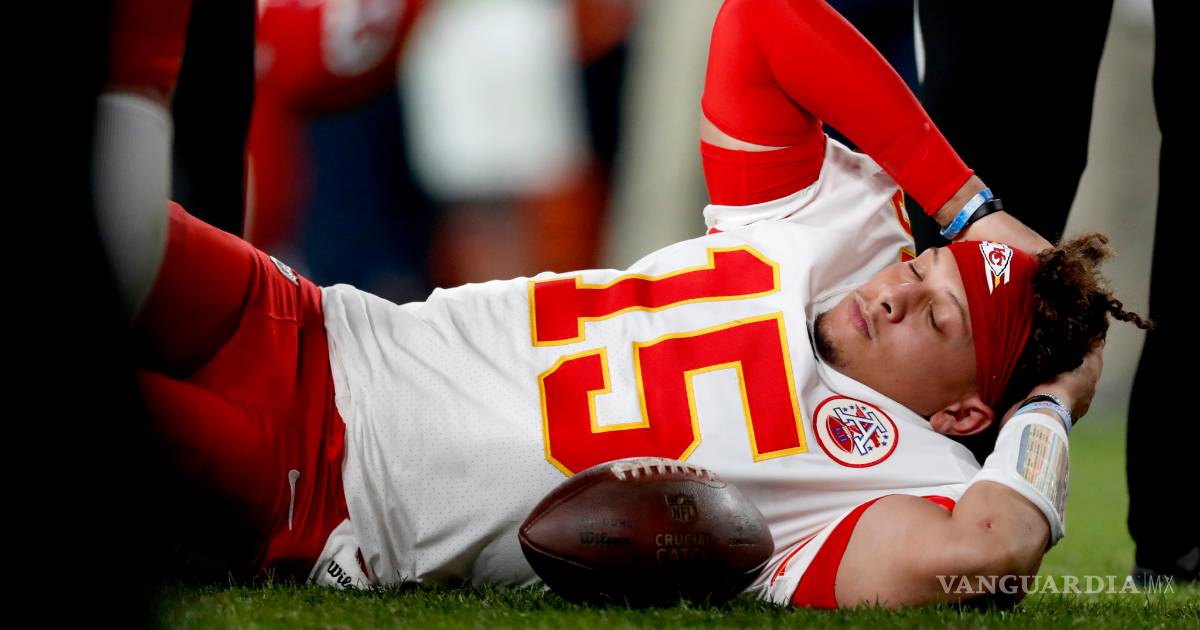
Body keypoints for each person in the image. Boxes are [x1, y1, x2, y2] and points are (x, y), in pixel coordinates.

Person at [98, 0, 1144, 609]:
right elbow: (763, 19)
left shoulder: (897, 486)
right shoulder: (836, 233)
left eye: (938, 320)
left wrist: (1051, 401)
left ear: (964, 412)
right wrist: (965, 206)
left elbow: (987, 551)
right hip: (322, 326)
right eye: (922, 272)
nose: (895, 293)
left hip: (329, 493)